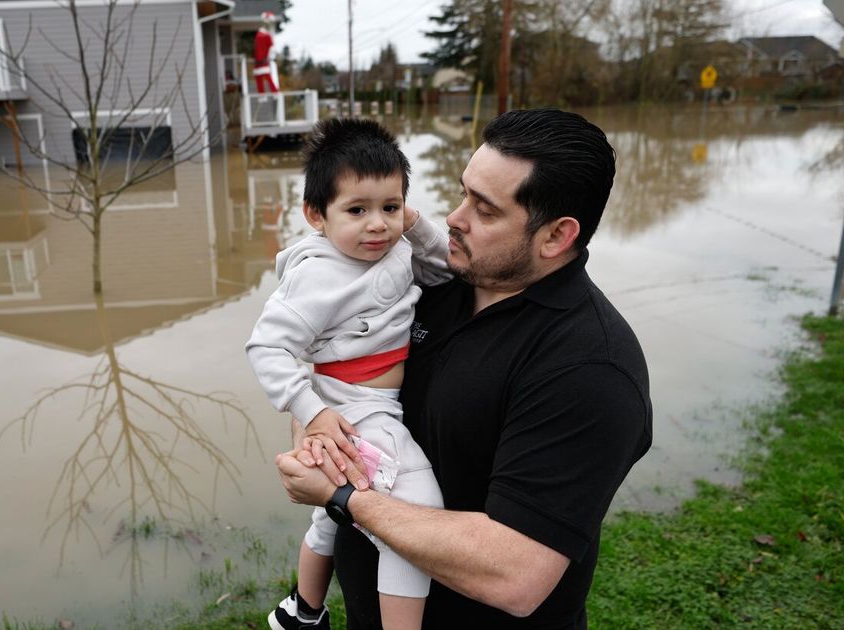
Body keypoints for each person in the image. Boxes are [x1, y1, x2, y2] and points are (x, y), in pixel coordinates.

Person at [274, 108, 653, 629]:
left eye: (485, 209)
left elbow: (517, 573)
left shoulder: (589, 367)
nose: (453, 217)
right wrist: (314, 427)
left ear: (555, 237)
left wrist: (342, 496)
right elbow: (324, 365)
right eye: (462, 193)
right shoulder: (431, 285)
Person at [246, 118, 453, 630]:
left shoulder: (395, 246)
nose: (377, 225)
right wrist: (312, 413)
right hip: (356, 408)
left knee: (330, 513)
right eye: (357, 210)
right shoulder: (318, 275)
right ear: (316, 215)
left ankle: (302, 611)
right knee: (419, 513)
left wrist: (417, 224)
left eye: (390, 207)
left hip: (372, 402)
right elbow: (266, 346)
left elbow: (447, 269)